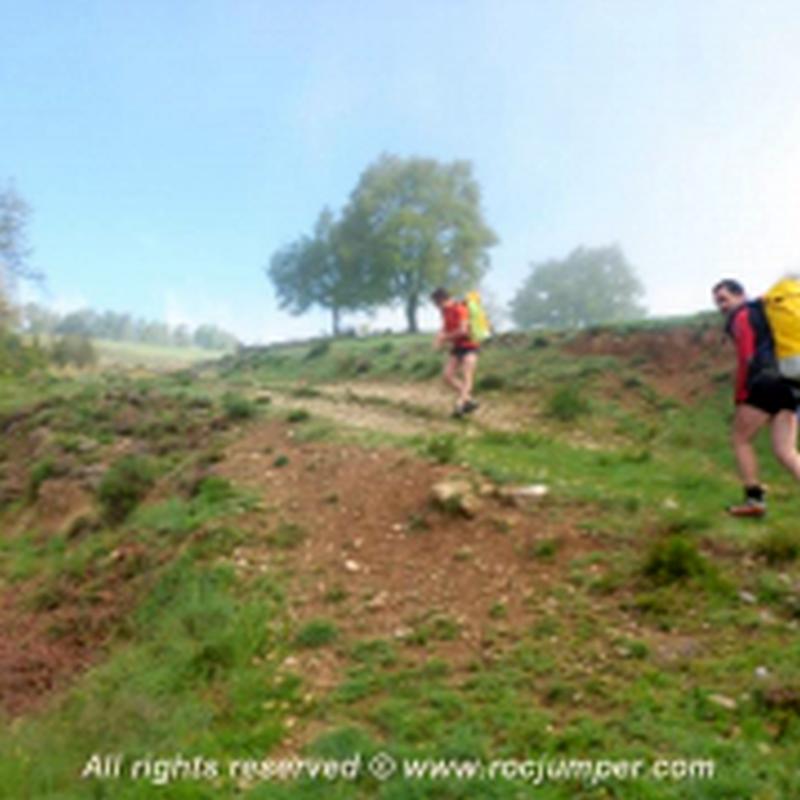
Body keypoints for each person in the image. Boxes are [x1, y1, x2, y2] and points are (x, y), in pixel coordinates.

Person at [713, 278, 800, 517]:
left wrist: (742, 394)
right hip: (790, 383)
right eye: (717, 302)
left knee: (740, 439)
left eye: (724, 299)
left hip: (765, 383)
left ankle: (754, 500)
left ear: (740, 295)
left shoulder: (742, 317)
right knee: (786, 451)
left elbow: (747, 357)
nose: (721, 306)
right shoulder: (764, 313)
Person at [431, 287, 480, 418]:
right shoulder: (445, 312)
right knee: (447, 376)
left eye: (436, 303)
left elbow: (463, 331)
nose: (436, 307)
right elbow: (445, 327)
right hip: (457, 346)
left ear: (442, 299)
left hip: (470, 345)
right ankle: (469, 400)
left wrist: (444, 338)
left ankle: (459, 405)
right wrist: (439, 338)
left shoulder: (460, 309)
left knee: (467, 376)